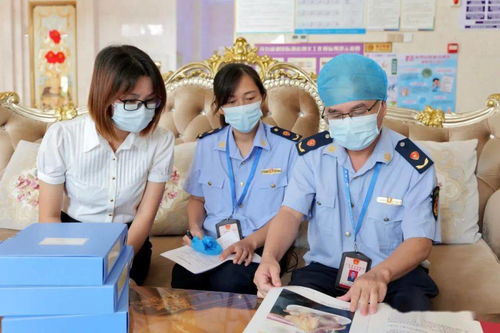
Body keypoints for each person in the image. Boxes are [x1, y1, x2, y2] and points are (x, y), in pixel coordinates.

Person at [254, 54, 440, 314]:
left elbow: (420, 241)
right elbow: (290, 213)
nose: (348, 121)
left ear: (382, 107)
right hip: (325, 271)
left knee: (410, 315)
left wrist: (380, 275)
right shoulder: (311, 157)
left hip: (394, 273)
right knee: (290, 317)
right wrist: (269, 258)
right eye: (336, 114)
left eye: (359, 110)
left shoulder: (413, 165)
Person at [37, 45, 174, 285]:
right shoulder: (63, 136)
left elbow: (145, 215)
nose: (143, 111)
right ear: (104, 95)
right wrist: (75, 266)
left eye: (150, 101)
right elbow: (48, 216)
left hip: (129, 240)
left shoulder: (161, 140)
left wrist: (119, 263)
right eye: (131, 101)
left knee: (120, 294)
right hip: (71, 238)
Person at [171, 63, 301, 294]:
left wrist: (250, 242)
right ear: (220, 108)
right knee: (183, 277)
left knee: (230, 281)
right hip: (214, 246)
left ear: (262, 98)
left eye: (249, 97)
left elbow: (290, 212)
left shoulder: (288, 147)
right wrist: (195, 230)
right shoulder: (206, 145)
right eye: (231, 101)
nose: (241, 107)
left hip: (261, 246)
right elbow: (197, 200)